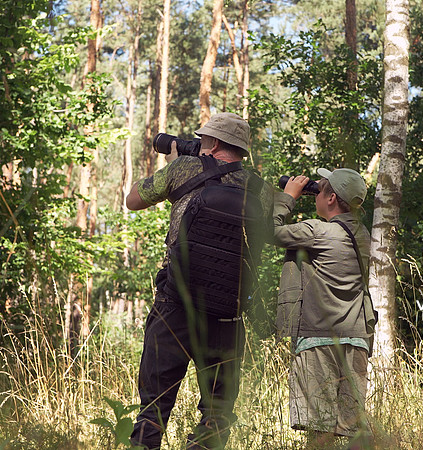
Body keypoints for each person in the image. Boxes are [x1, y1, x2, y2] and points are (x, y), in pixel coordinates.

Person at [126, 112, 271, 449]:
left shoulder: (184, 169)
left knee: (153, 407)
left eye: (203, 138)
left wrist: (177, 162)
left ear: (214, 142)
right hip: (227, 316)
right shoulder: (261, 191)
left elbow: (133, 200)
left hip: (175, 306)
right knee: (218, 413)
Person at [273, 168, 376, 449]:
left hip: (319, 340)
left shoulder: (316, 231)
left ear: (331, 199)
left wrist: (288, 197)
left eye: (319, 190)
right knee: (348, 430)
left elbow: (269, 231)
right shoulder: (362, 234)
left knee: (319, 434)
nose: (314, 194)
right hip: (356, 340)